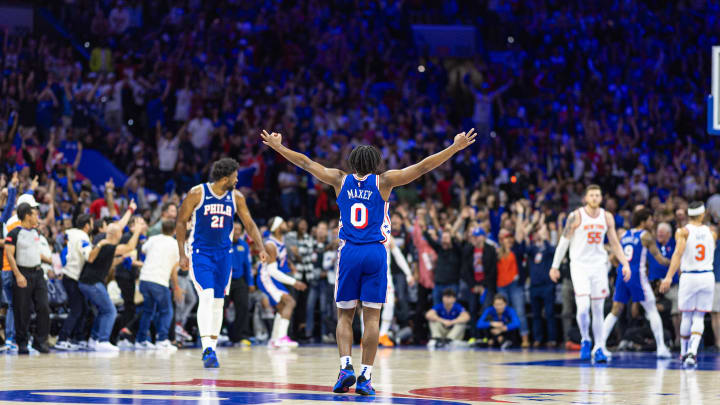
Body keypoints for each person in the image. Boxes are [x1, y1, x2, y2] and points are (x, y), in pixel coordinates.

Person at [261, 127, 477, 396]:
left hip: (350, 252)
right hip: (375, 252)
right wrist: (454, 148)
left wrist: (278, 147)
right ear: (376, 164)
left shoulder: (339, 179)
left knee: (345, 315)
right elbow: (422, 167)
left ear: (352, 163)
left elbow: (305, 162)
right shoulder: (384, 181)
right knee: (371, 318)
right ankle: (365, 376)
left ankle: (344, 368)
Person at [175, 158, 267, 368]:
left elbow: (250, 224)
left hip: (224, 255)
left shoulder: (237, 197)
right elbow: (180, 222)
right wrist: (182, 253)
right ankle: (206, 346)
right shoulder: (197, 193)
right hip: (201, 253)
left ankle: (212, 350)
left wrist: (260, 247)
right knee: (206, 296)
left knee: (218, 302)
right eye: (235, 177)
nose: (237, 180)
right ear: (225, 178)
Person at [549, 185, 631, 362]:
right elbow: (563, 242)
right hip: (579, 265)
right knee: (584, 307)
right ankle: (585, 338)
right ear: (586, 198)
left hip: (599, 265)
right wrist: (555, 265)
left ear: (601, 198)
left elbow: (615, 243)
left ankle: (599, 346)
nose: (594, 198)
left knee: (598, 309)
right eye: (591, 195)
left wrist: (625, 263)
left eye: (597, 195)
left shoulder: (606, 216)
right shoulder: (576, 216)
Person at [600, 208, 672, 358]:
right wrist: (674, 263)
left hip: (622, 273)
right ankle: (661, 348)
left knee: (615, 310)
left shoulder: (624, 235)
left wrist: (622, 268)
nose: (652, 222)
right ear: (644, 221)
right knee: (651, 309)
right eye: (650, 219)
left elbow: (613, 258)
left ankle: (599, 346)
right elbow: (659, 258)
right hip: (636, 275)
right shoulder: (645, 236)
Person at [660, 202, 717, 368]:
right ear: (703, 214)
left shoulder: (683, 232)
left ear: (688, 214)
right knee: (699, 316)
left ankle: (684, 352)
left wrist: (669, 277)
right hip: (707, 275)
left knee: (686, 315)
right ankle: (692, 352)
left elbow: (678, 253)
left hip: (689, 276)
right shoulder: (712, 233)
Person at [79, 210, 144, 352]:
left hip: (88, 282)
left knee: (104, 310)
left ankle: (94, 339)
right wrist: (137, 231)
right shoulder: (108, 245)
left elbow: (107, 263)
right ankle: (103, 340)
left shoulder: (103, 242)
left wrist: (121, 259)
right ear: (117, 235)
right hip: (92, 283)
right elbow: (130, 247)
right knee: (110, 311)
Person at [4, 203, 52, 354]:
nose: (37, 217)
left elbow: (35, 252)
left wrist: (50, 261)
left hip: (38, 273)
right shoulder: (14, 233)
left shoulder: (36, 232)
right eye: (35, 214)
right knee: (22, 310)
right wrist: (18, 275)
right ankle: (22, 342)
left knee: (44, 306)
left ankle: (40, 341)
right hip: (22, 273)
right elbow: (9, 255)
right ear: (27, 216)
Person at [257, 217, 307, 348]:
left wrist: (289, 264)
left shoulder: (280, 241)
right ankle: (281, 338)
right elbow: (272, 270)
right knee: (290, 302)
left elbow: (280, 259)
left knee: (282, 307)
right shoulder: (270, 245)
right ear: (278, 227)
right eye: (283, 223)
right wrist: (294, 282)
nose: (286, 224)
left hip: (272, 277)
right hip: (267, 277)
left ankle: (274, 340)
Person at [135, 219, 181, 351]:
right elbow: (174, 270)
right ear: (174, 231)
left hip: (144, 279)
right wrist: (176, 286)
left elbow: (143, 250)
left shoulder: (153, 239)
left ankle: (141, 340)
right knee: (167, 311)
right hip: (159, 281)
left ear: (162, 229)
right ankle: (162, 340)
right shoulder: (176, 245)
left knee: (148, 310)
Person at [55, 214, 94, 351]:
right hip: (72, 276)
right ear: (87, 225)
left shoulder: (72, 234)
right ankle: (62, 339)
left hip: (71, 276)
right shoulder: (83, 236)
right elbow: (88, 255)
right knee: (77, 309)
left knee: (83, 309)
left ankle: (78, 338)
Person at [526, 221, 557, 348]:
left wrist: (546, 239)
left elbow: (554, 252)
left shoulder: (548, 247)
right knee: (536, 315)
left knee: (550, 313)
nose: (538, 233)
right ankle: (538, 338)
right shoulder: (532, 248)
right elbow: (525, 248)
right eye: (536, 231)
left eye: (540, 231)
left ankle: (552, 339)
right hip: (534, 286)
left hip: (547, 285)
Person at [226, 220, 255, 346]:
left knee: (243, 307)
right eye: (234, 229)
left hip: (240, 281)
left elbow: (248, 265)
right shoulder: (223, 243)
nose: (237, 232)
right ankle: (221, 333)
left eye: (239, 229)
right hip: (224, 280)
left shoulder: (244, 245)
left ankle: (241, 336)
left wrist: (251, 283)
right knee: (220, 307)